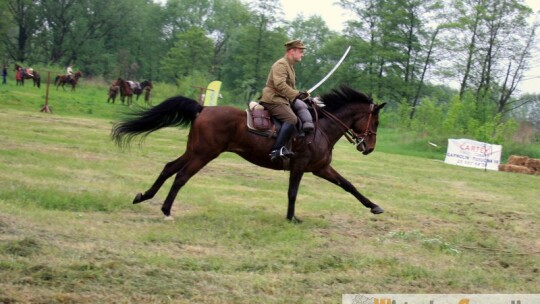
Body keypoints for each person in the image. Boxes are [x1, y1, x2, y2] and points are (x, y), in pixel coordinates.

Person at [259, 39, 314, 162]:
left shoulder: (290, 66)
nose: (302, 54)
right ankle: (277, 149)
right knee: (291, 119)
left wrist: (303, 96)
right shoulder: (281, 64)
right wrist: (296, 94)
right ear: (292, 51)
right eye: (300, 51)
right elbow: (280, 85)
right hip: (273, 99)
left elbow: (290, 88)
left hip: (282, 99)